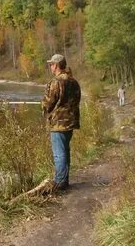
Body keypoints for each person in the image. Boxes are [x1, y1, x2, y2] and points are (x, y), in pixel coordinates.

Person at [42, 54, 81, 192]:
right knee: (65, 151)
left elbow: (48, 103)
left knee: (59, 153)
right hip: (71, 122)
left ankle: (60, 183)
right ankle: (65, 180)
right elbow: (77, 100)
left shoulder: (56, 82)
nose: (50, 66)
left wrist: (44, 107)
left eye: (52, 64)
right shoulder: (74, 82)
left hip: (58, 124)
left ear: (57, 65)